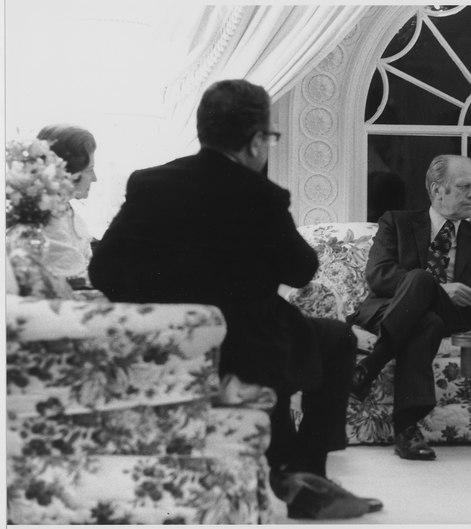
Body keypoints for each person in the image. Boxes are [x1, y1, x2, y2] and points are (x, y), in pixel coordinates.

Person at [88, 79, 382, 520]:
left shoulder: (149, 183)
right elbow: (301, 269)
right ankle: (308, 475)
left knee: (286, 332)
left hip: (165, 346)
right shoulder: (261, 196)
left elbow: (103, 271)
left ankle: (290, 470)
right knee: (337, 338)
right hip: (244, 350)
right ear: (254, 141)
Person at [349, 154, 471, 460]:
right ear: (436, 190)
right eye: (463, 187)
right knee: (424, 310)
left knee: (425, 294)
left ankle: (370, 366)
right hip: (392, 309)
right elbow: (379, 275)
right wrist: (437, 287)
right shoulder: (396, 222)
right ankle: (407, 430)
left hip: (452, 314)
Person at [36, 124, 97, 287]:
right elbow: (73, 283)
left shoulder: (65, 211)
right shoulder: (50, 223)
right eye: (90, 170)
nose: (95, 178)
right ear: (69, 174)